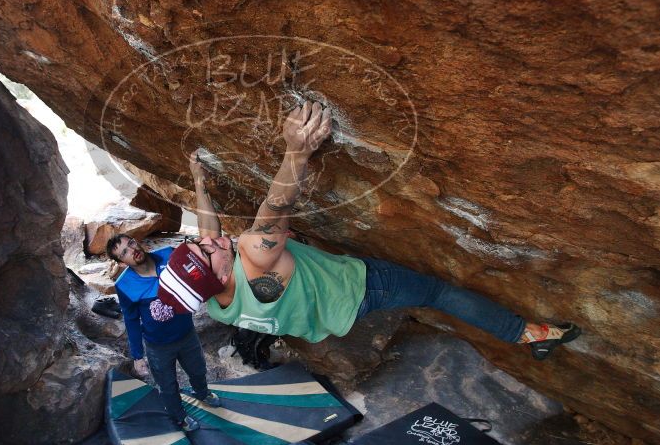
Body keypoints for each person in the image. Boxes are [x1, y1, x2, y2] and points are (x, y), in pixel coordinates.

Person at [151, 101, 581, 361]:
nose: (205, 240)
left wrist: (200, 184)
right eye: (206, 253)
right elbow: (275, 207)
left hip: (336, 314)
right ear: (222, 275)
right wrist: (296, 149)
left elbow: (210, 235)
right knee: (437, 293)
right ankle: (528, 334)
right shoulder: (254, 256)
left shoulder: (219, 305)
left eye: (194, 243)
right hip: (360, 285)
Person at [106, 234, 221, 432]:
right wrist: (137, 356)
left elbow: (198, 273)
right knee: (167, 384)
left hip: (187, 332)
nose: (132, 250)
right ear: (121, 262)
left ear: (137, 241)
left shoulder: (170, 256)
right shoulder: (124, 285)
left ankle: (202, 393)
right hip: (157, 345)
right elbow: (131, 320)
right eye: (124, 252)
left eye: (131, 242)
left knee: (197, 369)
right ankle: (179, 416)